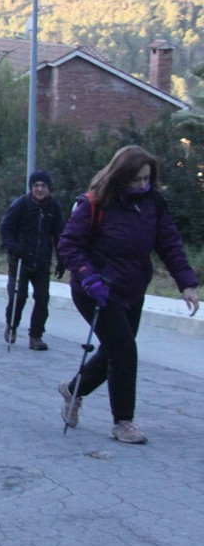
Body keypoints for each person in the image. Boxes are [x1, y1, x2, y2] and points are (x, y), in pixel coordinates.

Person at [56, 145, 199, 444]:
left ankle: (73, 390)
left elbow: (169, 242)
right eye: (136, 179)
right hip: (96, 290)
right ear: (120, 176)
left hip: (132, 289)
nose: (142, 185)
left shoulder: (153, 203)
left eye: (147, 178)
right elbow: (69, 245)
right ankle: (123, 422)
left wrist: (186, 283)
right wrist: (88, 276)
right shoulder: (95, 203)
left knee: (114, 350)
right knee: (124, 350)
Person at [0, 170, 65, 350]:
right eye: (36, 185)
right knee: (18, 296)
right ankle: (11, 325)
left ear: (49, 188)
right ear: (31, 187)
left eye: (43, 186)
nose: (40, 189)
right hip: (20, 260)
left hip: (42, 261)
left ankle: (36, 336)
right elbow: (5, 228)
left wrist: (62, 259)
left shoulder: (53, 208)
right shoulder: (21, 205)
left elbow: (60, 235)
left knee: (42, 298)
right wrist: (13, 247)